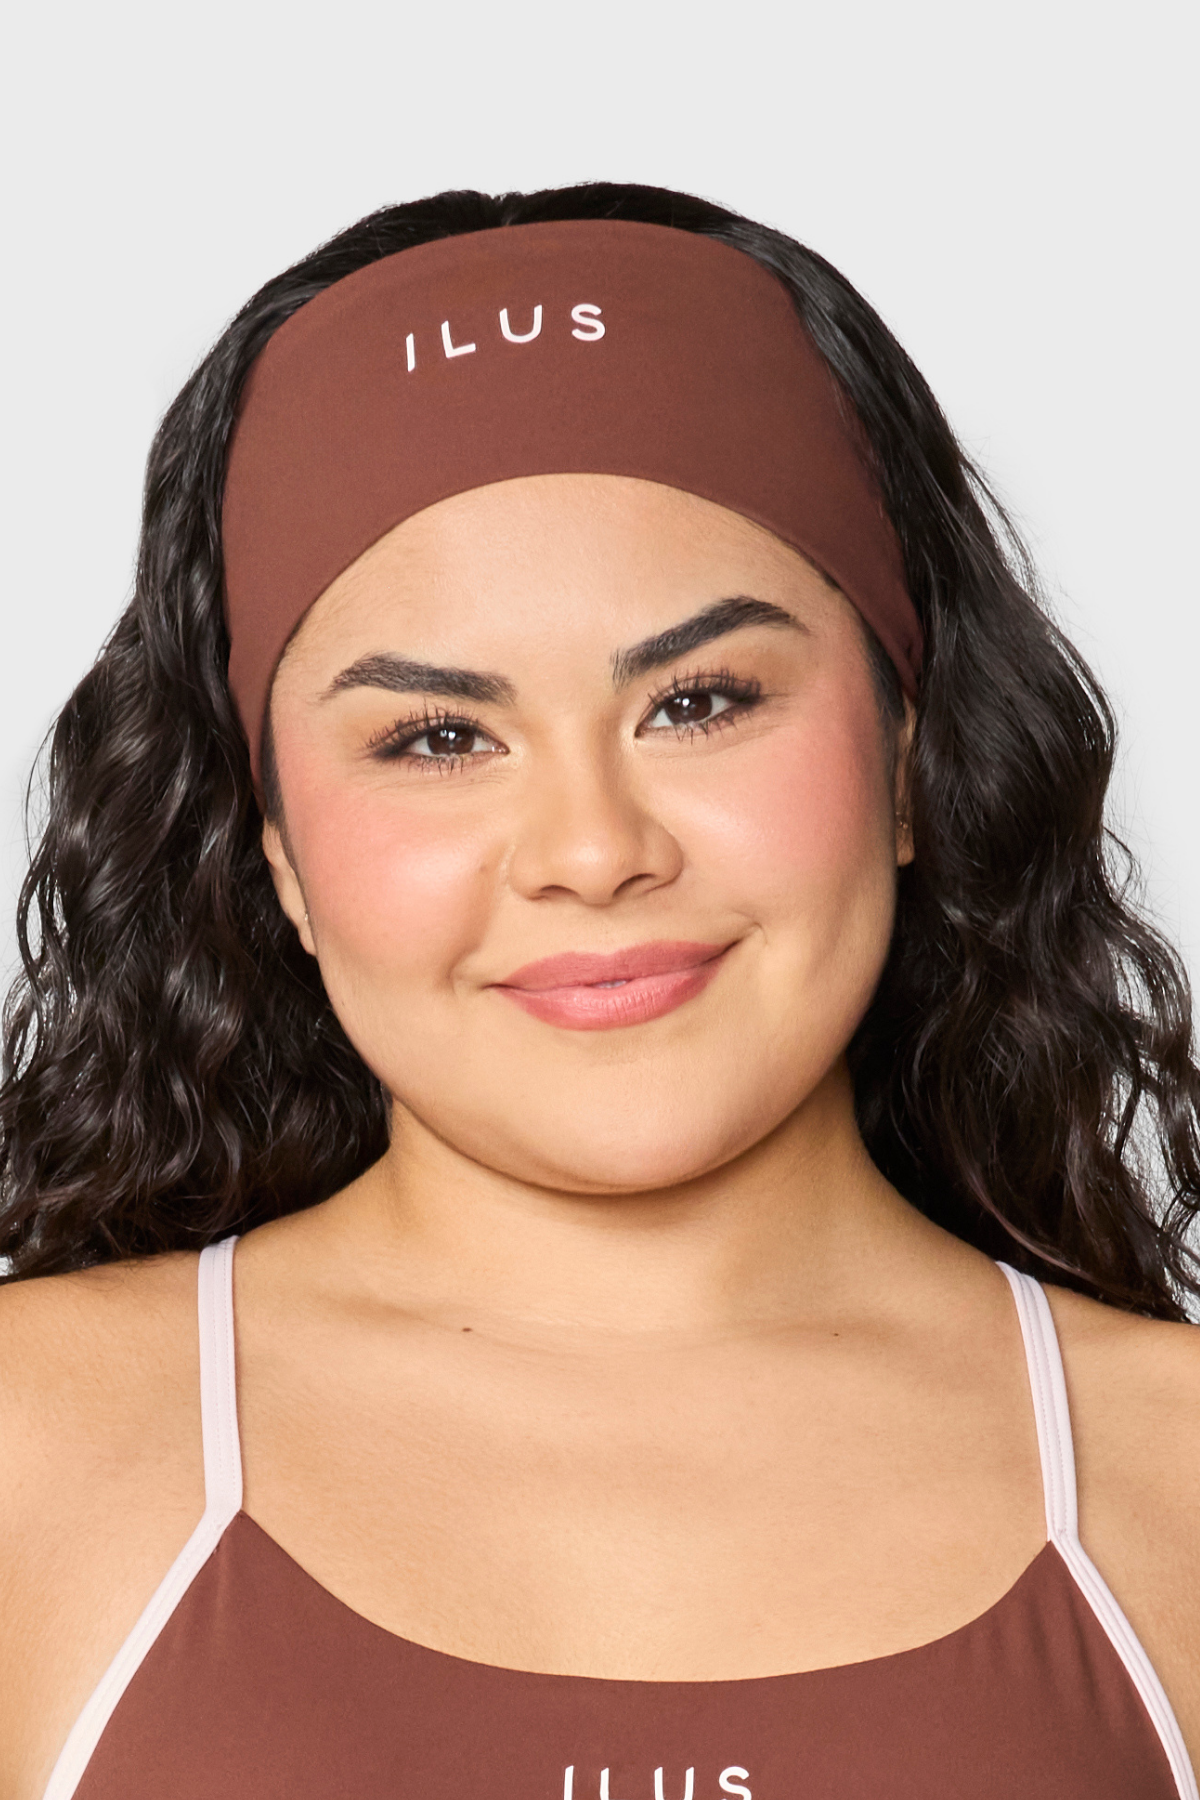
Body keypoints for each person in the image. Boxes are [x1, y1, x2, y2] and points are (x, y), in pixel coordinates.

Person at [0, 182, 1197, 1800]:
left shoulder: (1177, 1483)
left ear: (909, 755)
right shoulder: (27, 1451)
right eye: (437, 737)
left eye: (700, 701)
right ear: (274, 847)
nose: (592, 850)